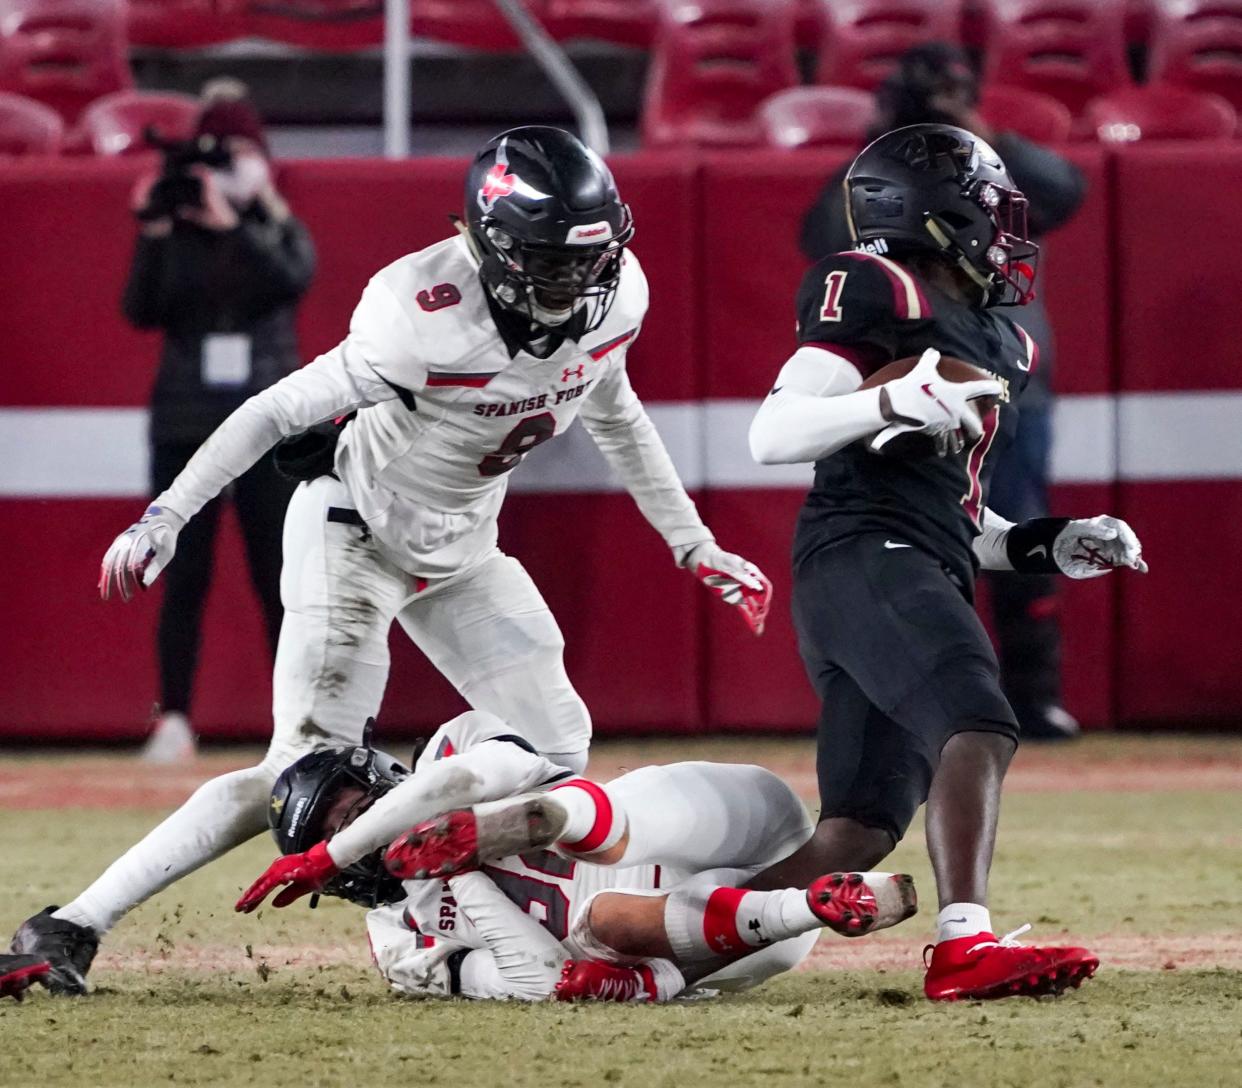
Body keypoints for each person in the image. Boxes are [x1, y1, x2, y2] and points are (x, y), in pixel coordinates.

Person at [11, 126, 769, 995]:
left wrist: (694, 542)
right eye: (555, 263)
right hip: (355, 536)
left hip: (462, 548)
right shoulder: (420, 313)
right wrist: (168, 514)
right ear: (493, 250)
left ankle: (453, 900)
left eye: (592, 260)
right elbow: (271, 410)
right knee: (294, 773)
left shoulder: (617, 293)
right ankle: (70, 924)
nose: (581, 282)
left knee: (559, 749)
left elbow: (616, 413)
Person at [745, 123, 1146, 1001]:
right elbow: (771, 432)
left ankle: (665, 944)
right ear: (935, 216)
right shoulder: (875, 283)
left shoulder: (1005, 340)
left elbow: (959, 518)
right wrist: (892, 392)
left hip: (910, 559)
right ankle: (965, 946)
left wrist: (1045, 541)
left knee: (855, 832)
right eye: (990, 212)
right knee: (979, 717)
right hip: (859, 554)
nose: (1006, 233)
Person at [800, 43, 1087, 741]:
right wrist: (889, 150)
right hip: (911, 378)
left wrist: (981, 135)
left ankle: (1032, 693)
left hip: (1003, 379)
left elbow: (1064, 190)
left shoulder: (994, 176)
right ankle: (925, 696)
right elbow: (825, 234)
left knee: (1013, 528)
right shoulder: (878, 187)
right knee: (911, 535)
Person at [233, 710, 916, 1002]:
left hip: (710, 818)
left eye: (359, 810)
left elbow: (491, 769)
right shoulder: (398, 945)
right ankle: (816, 907)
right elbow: (535, 983)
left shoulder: (448, 749)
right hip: (726, 937)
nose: (365, 834)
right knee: (601, 926)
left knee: (596, 815)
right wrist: (461, 876)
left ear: (382, 780)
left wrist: (462, 836)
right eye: (343, 833)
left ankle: (538, 822)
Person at [123, 82, 315, 762]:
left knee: (280, 574)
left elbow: (291, 278)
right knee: (184, 572)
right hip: (187, 422)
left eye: (239, 153)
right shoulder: (178, 233)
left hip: (266, 423)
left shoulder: (274, 228)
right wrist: (155, 230)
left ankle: (298, 724)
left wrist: (235, 225)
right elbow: (140, 309)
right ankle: (172, 717)